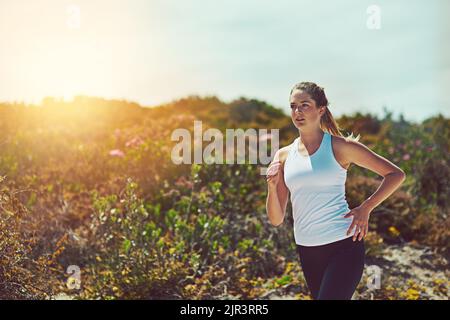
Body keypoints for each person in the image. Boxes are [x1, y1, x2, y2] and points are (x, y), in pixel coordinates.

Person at [265, 82, 406, 300]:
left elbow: (395, 175)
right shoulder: (283, 156)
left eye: (305, 105)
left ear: (321, 109)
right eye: (293, 106)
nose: (297, 112)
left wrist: (366, 207)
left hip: (343, 246)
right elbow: (276, 219)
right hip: (307, 249)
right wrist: (272, 187)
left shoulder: (341, 147)